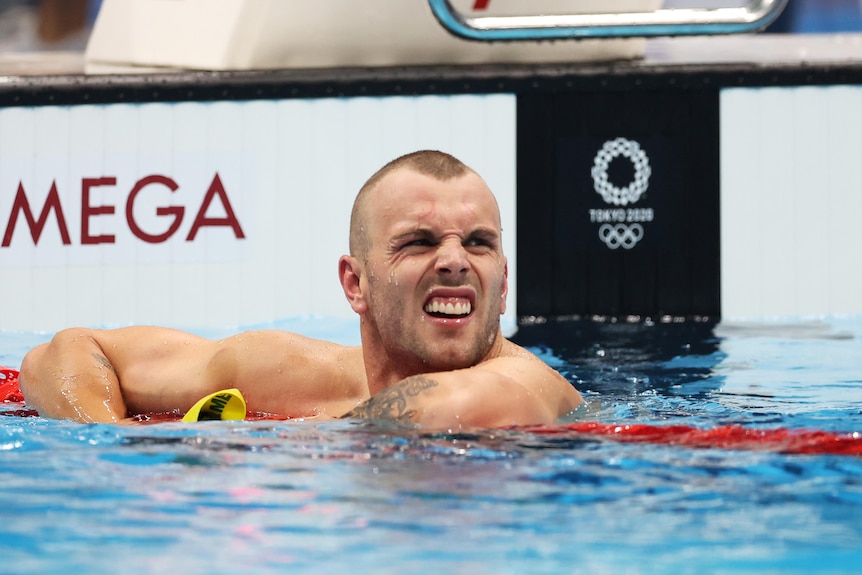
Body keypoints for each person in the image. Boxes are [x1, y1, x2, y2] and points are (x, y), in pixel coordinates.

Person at [18, 150, 583, 428]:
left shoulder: (520, 385)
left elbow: (440, 412)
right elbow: (61, 353)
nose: (456, 261)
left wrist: (251, 449)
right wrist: (117, 445)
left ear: (503, 284)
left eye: (480, 243)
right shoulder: (287, 369)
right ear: (354, 283)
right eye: (420, 241)